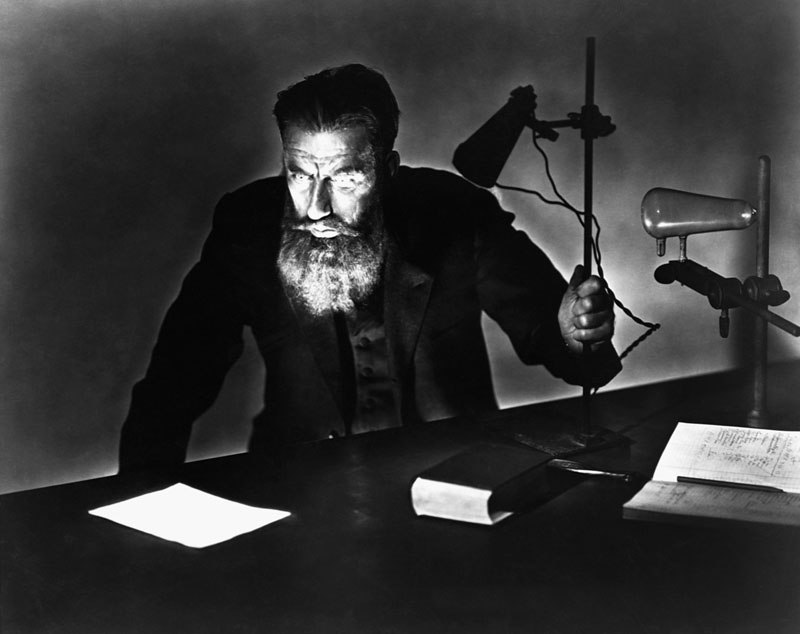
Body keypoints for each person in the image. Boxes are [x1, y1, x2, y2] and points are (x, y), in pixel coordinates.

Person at [118, 63, 620, 473]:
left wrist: (576, 333)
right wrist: (137, 504)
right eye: (299, 174)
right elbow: (172, 386)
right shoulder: (247, 226)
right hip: (297, 481)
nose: (316, 208)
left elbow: (564, 344)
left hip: (453, 479)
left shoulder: (456, 212)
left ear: (387, 171)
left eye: (345, 178)